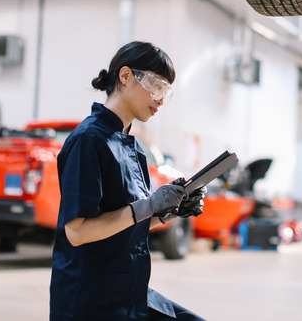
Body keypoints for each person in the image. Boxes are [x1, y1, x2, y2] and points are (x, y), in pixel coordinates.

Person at [50, 41, 207, 321]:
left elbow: (130, 223)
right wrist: (149, 206)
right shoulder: (89, 140)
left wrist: (170, 211)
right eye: (156, 86)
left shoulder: (132, 148)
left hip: (129, 292)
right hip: (91, 301)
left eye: (166, 92)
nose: (160, 99)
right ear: (125, 76)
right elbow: (77, 232)